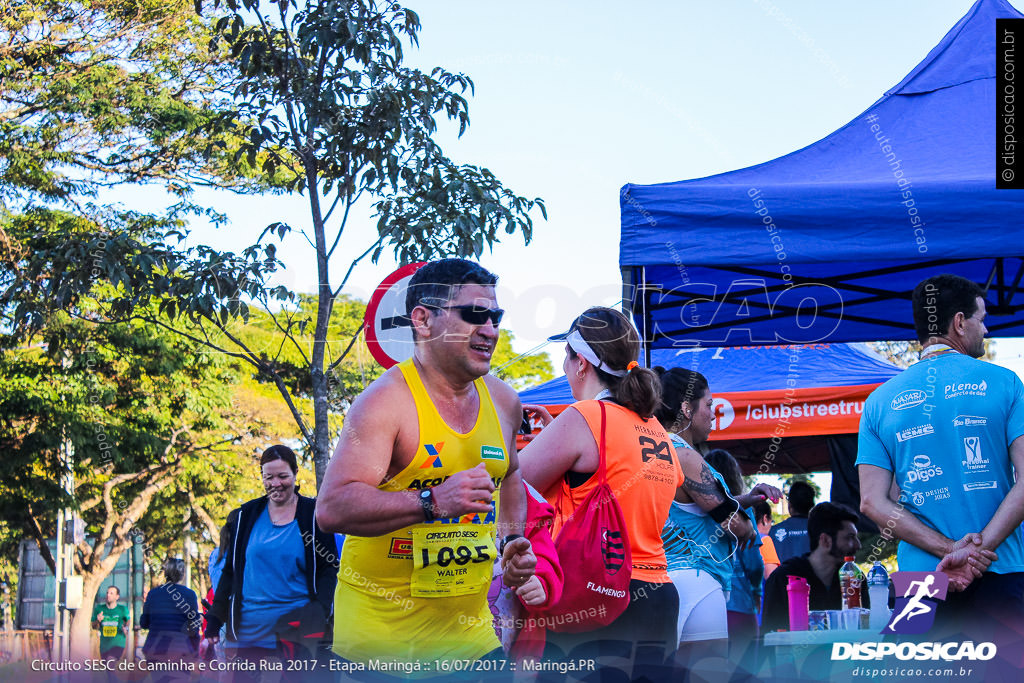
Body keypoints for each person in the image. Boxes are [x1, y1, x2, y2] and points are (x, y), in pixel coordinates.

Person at [316, 258, 535, 669]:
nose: (490, 330)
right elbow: (331, 509)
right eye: (474, 315)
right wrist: (433, 500)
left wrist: (510, 543)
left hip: (471, 638)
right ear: (422, 320)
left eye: (495, 317)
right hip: (383, 647)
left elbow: (512, 475)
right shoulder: (385, 403)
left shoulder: (504, 402)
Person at [518, 307, 681, 681]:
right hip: (657, 596)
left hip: (599, 593)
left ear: (580, 364)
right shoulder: (655, 429)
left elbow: (511, 488)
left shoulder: (586, 417)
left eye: (566, 356)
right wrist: (559, 431)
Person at [858, 274, 1022, 635]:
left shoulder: (878, 402)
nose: (986, 330)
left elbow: (872, 502)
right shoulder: (1006, 382)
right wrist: (974, 555)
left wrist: (949, 550)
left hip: (921, 579)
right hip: (1000, 569)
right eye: (981, 319)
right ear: (959, 323)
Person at [652, 368, 778, 660]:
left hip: (667, 578)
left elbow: (694, 508)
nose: (713, 414)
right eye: (709, 405)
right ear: (686, 408)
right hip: (697, 581)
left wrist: (746, 498)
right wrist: (746, 523)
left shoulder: (656, 449)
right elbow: (734, 523)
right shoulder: (684, 455)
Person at [204, 445, 338, 674]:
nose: (275, 483)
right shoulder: (246, 516)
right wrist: (215, 618)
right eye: (269, 477)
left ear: (296, 473)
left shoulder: (313, 514)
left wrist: (321, 610)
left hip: (298, 637)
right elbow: (230, 572)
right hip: (249, 637)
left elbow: (329, 568)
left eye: (283, 476)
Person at [761, 502, 863, 634]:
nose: (858, 545)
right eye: (850, 537)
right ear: (825, 540)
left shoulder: (855, 579)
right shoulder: (783, 579)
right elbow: (770, 639)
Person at [705, 449, 764, 667]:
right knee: (745, 672)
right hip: (740, 606)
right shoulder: (743, 511)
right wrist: (757, 592)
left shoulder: (699, 510)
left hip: (708, 605)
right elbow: (755, 564)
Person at [140, 558, 201, 663]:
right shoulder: (190, 594)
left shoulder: (153, 594)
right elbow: (194, 627)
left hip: (155, 650)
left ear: (166, 573)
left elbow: (144, 623)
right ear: (182, 574)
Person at [769, 480, 815, 563]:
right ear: (811, 505)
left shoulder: (772, 532)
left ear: (790, 504)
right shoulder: (821, 532)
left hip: (781, 576)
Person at [93, 585, 130, 662]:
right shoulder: (99, 608)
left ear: (117, 597)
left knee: (110, 662)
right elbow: (93, 626)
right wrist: (98, 620)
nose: (108, 595)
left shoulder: (122, 609)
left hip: (118, 644)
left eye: (111, 593)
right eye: (107, 593)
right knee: (108, 669)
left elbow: (128, 621)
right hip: (104, 646)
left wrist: (126, 628)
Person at [753, 500, 780, 580]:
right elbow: (771, 577)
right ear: (765, 519)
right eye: (771, 521)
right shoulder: (764, 540)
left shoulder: (736, 540)